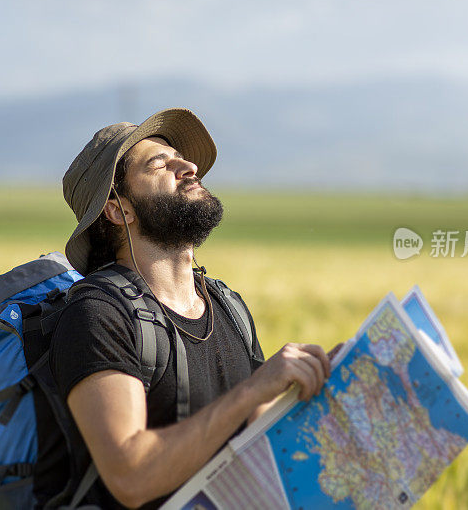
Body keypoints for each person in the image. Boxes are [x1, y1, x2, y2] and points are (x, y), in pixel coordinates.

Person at [50, 108, 334, 509]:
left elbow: (264, 440)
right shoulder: (98, 314)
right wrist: (253, 389)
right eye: (159, 164)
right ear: (119, 209)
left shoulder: (227, 305)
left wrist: (328, 387)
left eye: (179, 156)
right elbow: (130, 475)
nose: (188, 165)